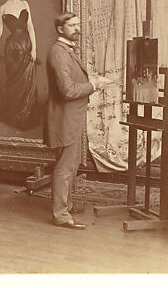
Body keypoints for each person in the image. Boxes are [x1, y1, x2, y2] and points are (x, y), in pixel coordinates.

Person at [44, 12, 110, 229]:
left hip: (71, 116)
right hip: (64, 118)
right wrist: (94, 85)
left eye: (77, 24)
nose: (77, 29)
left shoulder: (67, 50)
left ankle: (67, 205)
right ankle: (61, 215)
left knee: (70, 165)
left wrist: (92, 81)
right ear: (60, 29)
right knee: (64, 167)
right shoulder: (59, 53)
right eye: (72, 25)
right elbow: (68, 91)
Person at [0, 0, 39, 129]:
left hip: (26, 45)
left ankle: (26, 118)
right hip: (12, 49)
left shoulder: (25, 4)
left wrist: (34, 48)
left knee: (28, 81)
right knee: (14, 81)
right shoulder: (3, 8)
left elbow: (30, 26)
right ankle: (14, 117)